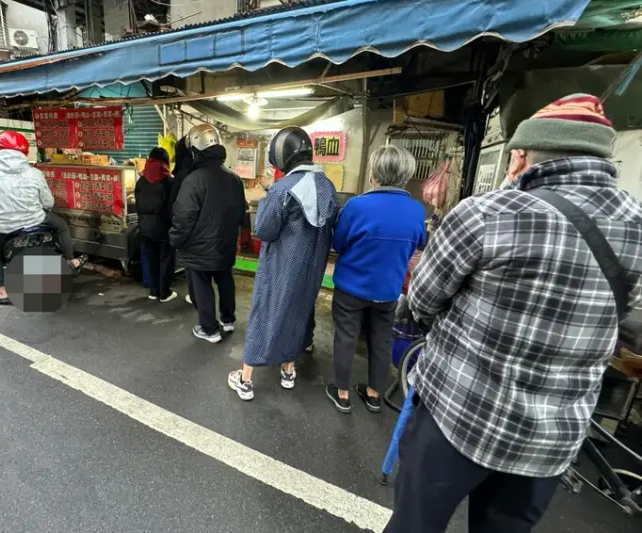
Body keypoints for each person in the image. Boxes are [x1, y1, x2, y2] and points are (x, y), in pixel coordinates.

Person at [385, 94, 642, 533]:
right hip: (551, 441)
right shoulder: (637, 223)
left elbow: (423, 300)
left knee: (415, 524)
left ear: (521, 156)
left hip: (459, 419)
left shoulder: (488, 212)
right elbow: (627, 321)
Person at [228, 126, 339, 401]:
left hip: (280, 267)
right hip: (312, 268)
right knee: (298, 312)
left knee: (265, 311)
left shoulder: (284, 189)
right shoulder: (327, 186)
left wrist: (269, 199)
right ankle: (288, 371)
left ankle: (245, 379)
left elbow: (264, 230)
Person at [326, 145, 426, 414]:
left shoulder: (357, 205)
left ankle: (343, 394)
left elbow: (339, 243)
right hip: (388, 290)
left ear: (375, 174)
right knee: (381, 340)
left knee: (346, 337)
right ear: (406, 175)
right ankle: (373, 395)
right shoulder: (416, 211)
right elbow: (419, 243)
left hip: (351, 288)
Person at [0, 131, 85, 306]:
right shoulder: (34, 173)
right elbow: (48, 201)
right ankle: (71, 259)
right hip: (36, 220)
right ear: (24, 151)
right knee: (62, 227)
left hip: (1, 225)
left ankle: (2, 292)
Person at [170, 124, 247, 343]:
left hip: (198, 249)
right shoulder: (234, 178)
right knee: (225, 280)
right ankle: (228, 319)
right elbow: (242, 213)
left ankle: (209, 329)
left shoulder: (193, 181)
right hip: (225, 245)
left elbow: (183, 218)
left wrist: (174, 240)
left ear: (195, 150)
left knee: (201, 285)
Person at [135, 147, 177, 302]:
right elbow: (173, 207)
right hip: (164, 227)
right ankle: (164, 292)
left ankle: (153, 291)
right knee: (166, 258)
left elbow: (138, 205)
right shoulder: (169, 181)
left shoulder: (141, 181)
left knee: (150, 257)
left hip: (144, 226)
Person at [171, 135, 195, 305]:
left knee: (192, 266)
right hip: (201, 226)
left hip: (187, 225)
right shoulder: (198, 172)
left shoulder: (181, 175)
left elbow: (175, 204)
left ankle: (195, 295)